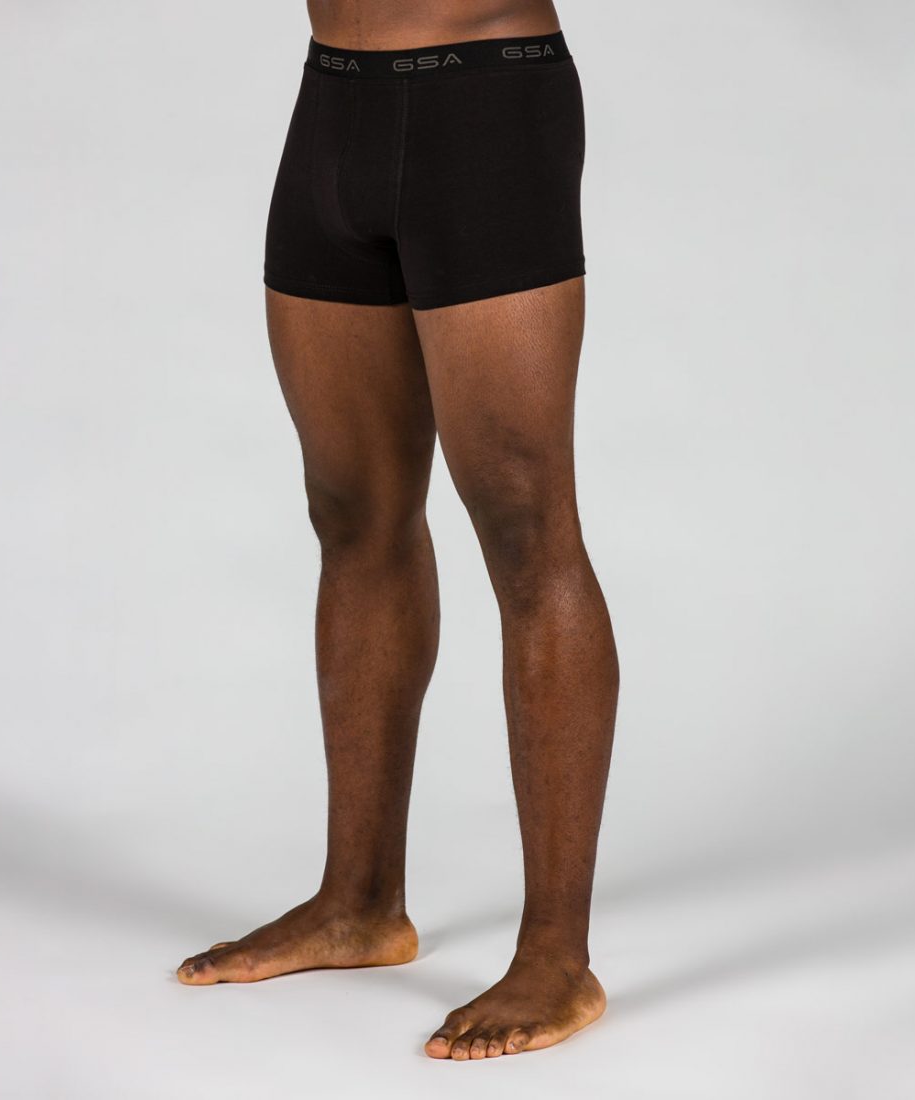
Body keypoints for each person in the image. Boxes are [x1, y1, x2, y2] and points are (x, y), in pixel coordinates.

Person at [177, 0, 620, 1061]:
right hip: (332, 104)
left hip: (487, 103)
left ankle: (557, 956)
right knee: (351, 511)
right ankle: (359, 901)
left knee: (523, 528)